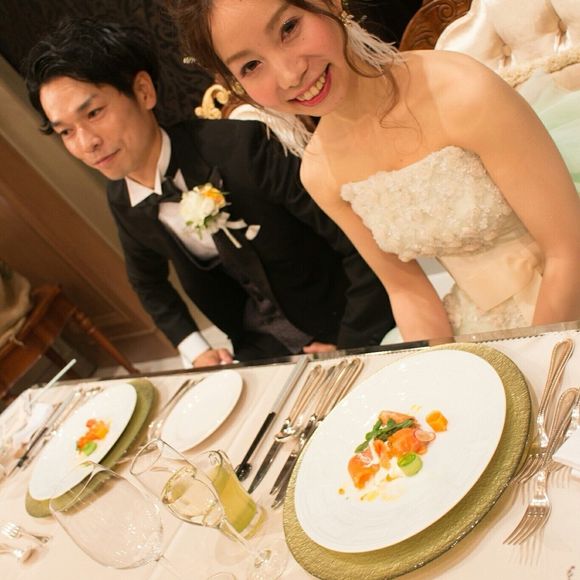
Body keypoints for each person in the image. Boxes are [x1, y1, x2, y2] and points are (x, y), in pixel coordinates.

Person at [170, 0, 580, 340]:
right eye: (250, 66)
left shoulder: (462, 91)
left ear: (330, 3)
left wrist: (533, 366)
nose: (290, 74)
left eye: (289, 28)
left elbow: (568, 247)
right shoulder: (320, 172)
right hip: (479, 323)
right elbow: (408, 293)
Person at [24, 17, 395, 367]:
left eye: (93, 113)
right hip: (261, 351)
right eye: (65, 131)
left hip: (345, 323)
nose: (86, 143)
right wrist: (195, 348)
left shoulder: (244, 148)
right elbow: (148, 285)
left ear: (143, 91)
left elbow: (359, 243)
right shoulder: (124, 199)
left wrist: (351, 343)